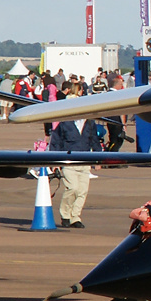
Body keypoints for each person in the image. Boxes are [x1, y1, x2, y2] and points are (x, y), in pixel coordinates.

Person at [48, 84, 98, 228]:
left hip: (85, 160)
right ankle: (65, 214)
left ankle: (75, 217)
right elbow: (56, 141)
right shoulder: (64, 124)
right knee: (73, 188)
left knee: (83, 191)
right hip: (68, 160)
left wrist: (98, 159)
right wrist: (54, 161)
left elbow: (94, 140)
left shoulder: (89, 123)